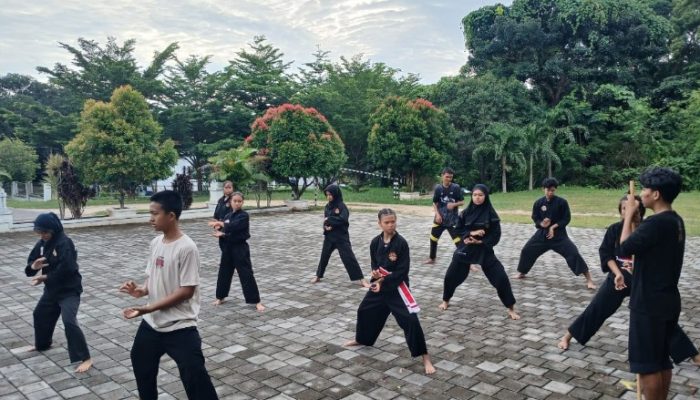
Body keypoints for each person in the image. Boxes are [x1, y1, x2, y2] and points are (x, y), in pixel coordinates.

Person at [558, 194, 699, 365]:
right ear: (620, 211)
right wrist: (617, 273)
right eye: (625, 208)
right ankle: (568, 336)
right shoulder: (614, 230)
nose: (631, 212)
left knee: (659, 316)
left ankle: (692, 355)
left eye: (635, 209)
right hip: (618, 278)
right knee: (597, 308)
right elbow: (607, 254)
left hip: (642, 282)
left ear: (641, 211)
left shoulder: (648, 229)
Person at [119, 190, 218, 400]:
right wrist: (141, 290)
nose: (150, 219)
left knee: (195, 376)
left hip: (180, 326)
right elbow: (152, 277)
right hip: (152, 324)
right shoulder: (156, 243)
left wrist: (149, 307)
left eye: (155, 214)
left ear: (171, 216)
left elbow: (186, 291)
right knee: (140, 360)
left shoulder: (187, 248)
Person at [619, 167, 685, 400]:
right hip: (667, 299)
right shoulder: (675, 220)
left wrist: (628, 215)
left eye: (646, 189)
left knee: (647, 364)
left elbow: (625, 247)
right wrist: (638, 220)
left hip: (648, 303)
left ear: (656, 194)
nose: (642, 194)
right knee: (660, 360)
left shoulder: (656, 223)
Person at [344, 208, 436, 375]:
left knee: (411, 320)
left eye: (393, 221)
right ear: (379, 223)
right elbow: (375, 265)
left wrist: (383, 282)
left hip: (397, 288)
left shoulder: (401, 243)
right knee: (364, 310)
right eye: (386, 222)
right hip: (379, 287)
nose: (390, 225)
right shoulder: (375, 242)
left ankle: (425, 357)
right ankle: (362, 339)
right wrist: (376, 276)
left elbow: (402, 271)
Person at [439, 184, 520, 320]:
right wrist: (470, 233)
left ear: (485, 196)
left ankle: (511, 308)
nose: (477, 198)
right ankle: (445, 300)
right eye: (475, 195)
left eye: (480, 195)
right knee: (450, 277)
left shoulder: (491, 214)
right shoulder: (465, 212)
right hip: (466, 249)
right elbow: (458, 229)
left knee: (501, 278)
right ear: (471, 196)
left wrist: (480, 241)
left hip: (484, 250)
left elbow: (496, 236)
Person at [24, 212, 92, 373]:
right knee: (40, 314)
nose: (43, 235)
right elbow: (30, 267)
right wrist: (34, 267)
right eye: (40, 232)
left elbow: (69, 268)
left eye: (45, 232)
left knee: (69, 321)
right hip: (52, 290)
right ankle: (43, 344)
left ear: (53, 229)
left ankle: (86, 358)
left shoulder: (64, 242)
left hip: (69, 291)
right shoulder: (41, 244)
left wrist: (45, 276)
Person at [514, 177, 596, 289]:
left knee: (573, 254)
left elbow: (566, 218)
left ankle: (589, 280)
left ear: (555, 190)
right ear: (543, 189)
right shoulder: (539, 203)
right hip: (542, 235)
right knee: (527, 250)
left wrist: (553, 226)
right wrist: (542, 224)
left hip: (559, 236)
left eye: (552, 190)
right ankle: (522, 272)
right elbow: (535, 217)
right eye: (548, 190)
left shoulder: (562, 202)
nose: (550, 192)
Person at [210, 192, 265, 311]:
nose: (237, 203)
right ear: (230, 202)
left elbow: (235, 226)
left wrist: (222, 224)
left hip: (240, 249)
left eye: (239, 201)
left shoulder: (244, 216)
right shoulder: (227, 216)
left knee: (246, 274)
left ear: (242, 202)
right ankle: (220, 297)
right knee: (224, 272)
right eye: (235, 201)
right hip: (228, 249)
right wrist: (219, 230)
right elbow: (226, 230)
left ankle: (256, 301)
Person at [311, 184, 370, 287]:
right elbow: (325, 220)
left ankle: (362, 279)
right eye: (327, 194)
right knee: (324, 256)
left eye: (330, 194)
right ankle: (318, 275)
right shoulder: (327, 206)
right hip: (329, 237)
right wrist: (326, 227)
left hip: (341, 237)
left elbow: (343, 219)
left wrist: (329, 220)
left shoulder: (342, 206)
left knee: (349, 258)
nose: (328, 197)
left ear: (336, 194)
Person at [425, 167, 464, 264]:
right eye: (447, 177)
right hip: (440, 219)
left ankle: (468, 262)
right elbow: (435, 203)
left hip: (453, 220)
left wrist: (454, 205)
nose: (449, 179)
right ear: (442, 176)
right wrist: (437, 215)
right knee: (433, 239)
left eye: (451, 177)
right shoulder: (438, 188)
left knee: (459, 241)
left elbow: (462, 202)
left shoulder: (456, 188)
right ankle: (432, 258)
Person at [208, 180, 234, 253]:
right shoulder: (220, 200)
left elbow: (232, 215)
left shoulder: (233, 200)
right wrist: (215, 223)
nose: (228, 189)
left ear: (233, 188)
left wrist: (221, 223)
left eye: (230, 187)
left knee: (230, 251)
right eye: (226, 187)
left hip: (229, 229)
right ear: (223, 188)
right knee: (223, 249)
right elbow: (216, 214)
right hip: (220, 230)